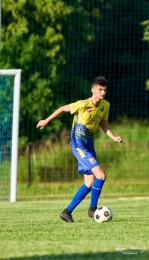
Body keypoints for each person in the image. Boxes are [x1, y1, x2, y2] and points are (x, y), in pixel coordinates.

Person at [36, 76, 122, 223]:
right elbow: (63, 108)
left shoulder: (105, 106)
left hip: (89, 145)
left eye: (105, 90)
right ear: (93, 90)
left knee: (89, 183)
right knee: (100, 175)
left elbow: (104, 124)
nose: (103, 92)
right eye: (100, 90)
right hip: (79, 145)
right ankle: (92, 209)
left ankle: (67, 212)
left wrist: (113, 137)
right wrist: (46, 120)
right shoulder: (83, 104)